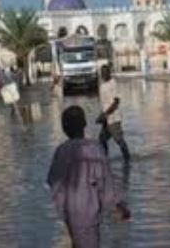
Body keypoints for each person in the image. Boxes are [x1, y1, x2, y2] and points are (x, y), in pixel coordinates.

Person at [47, 106, 130, 248]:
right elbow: (105, 181)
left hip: (68, 210)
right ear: (85, 124)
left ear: (63, 128)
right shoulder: (93, 148)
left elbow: (52, 180)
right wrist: (118, 205)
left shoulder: (61, 150)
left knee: (77, 241)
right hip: (88, 210)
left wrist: (61, 203)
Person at [96, 65, 131, 162]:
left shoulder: (113, 84)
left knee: (119, 140)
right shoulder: (102, 86)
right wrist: (102, 116)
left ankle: (127, 159)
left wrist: (105, 114)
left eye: (105, 72)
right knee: (102, 140)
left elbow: (116, 102)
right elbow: (104, 103)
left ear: (109, 72)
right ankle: (105, 159)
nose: (103, 74)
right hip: (106, 119)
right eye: (102, 72)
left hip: (114, 118)